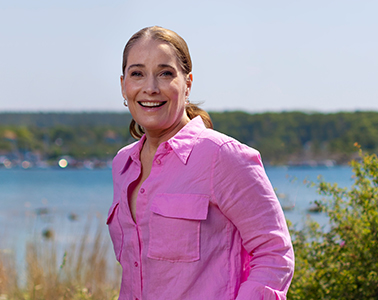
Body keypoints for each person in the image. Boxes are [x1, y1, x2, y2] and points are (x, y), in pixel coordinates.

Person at [107, 26, 294, 300]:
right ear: (124, 85)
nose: (150, 87)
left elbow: (274, 253)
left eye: (165, 73)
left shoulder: (223, 156)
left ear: (188, 83)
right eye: (137, 74)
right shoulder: (123, 164)